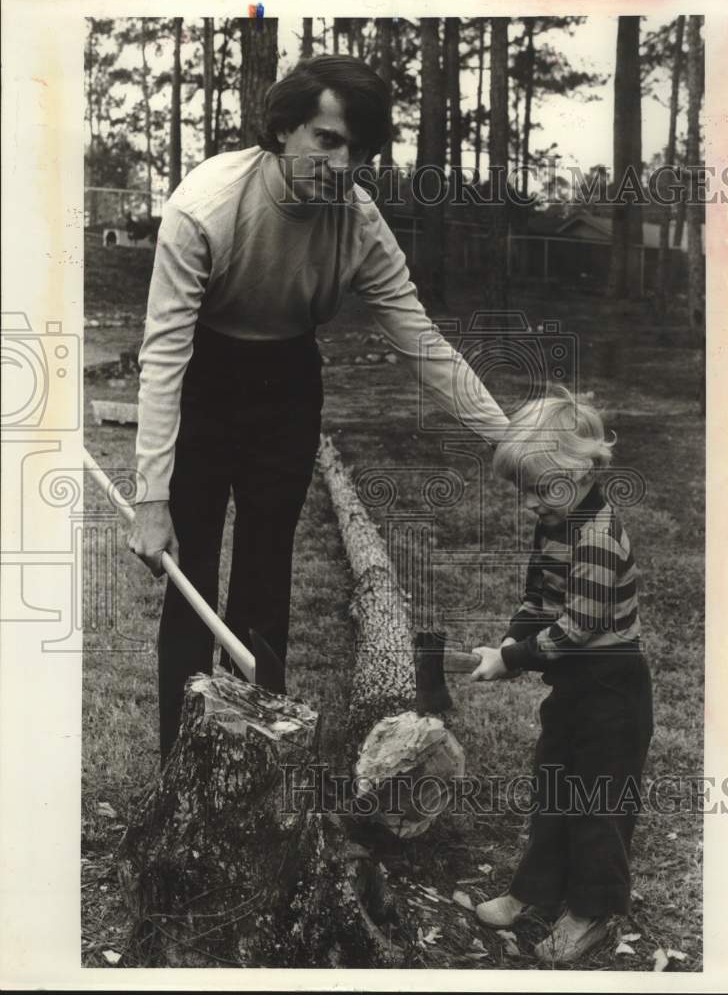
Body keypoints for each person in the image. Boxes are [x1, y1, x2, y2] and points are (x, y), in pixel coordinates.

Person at [128, 55, 510, 764]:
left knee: (266, 574)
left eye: (357, 151)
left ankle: (257, 759)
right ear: (281, 130)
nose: (341, 165)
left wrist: (505, 437)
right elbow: (164, 356)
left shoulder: (358, 222)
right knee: (192, 578)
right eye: (326, 141)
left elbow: (419, 341)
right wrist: (151, 497)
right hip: (204, 378)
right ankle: (179, 763)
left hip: (287, 380)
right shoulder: (203, 206)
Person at [469, 386, 653, 965]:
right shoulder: (555, 521)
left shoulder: (597, 536)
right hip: (573, 684)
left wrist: (514, 659)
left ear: (576, 475)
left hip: (612, 685)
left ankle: (592, 910)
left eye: (536, 489)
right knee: (552, 781)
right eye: (522, 491)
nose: (528, 504)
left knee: (598, 799)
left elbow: (575, 628)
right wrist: (510, 637)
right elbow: (538, 597)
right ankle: (537, 890)